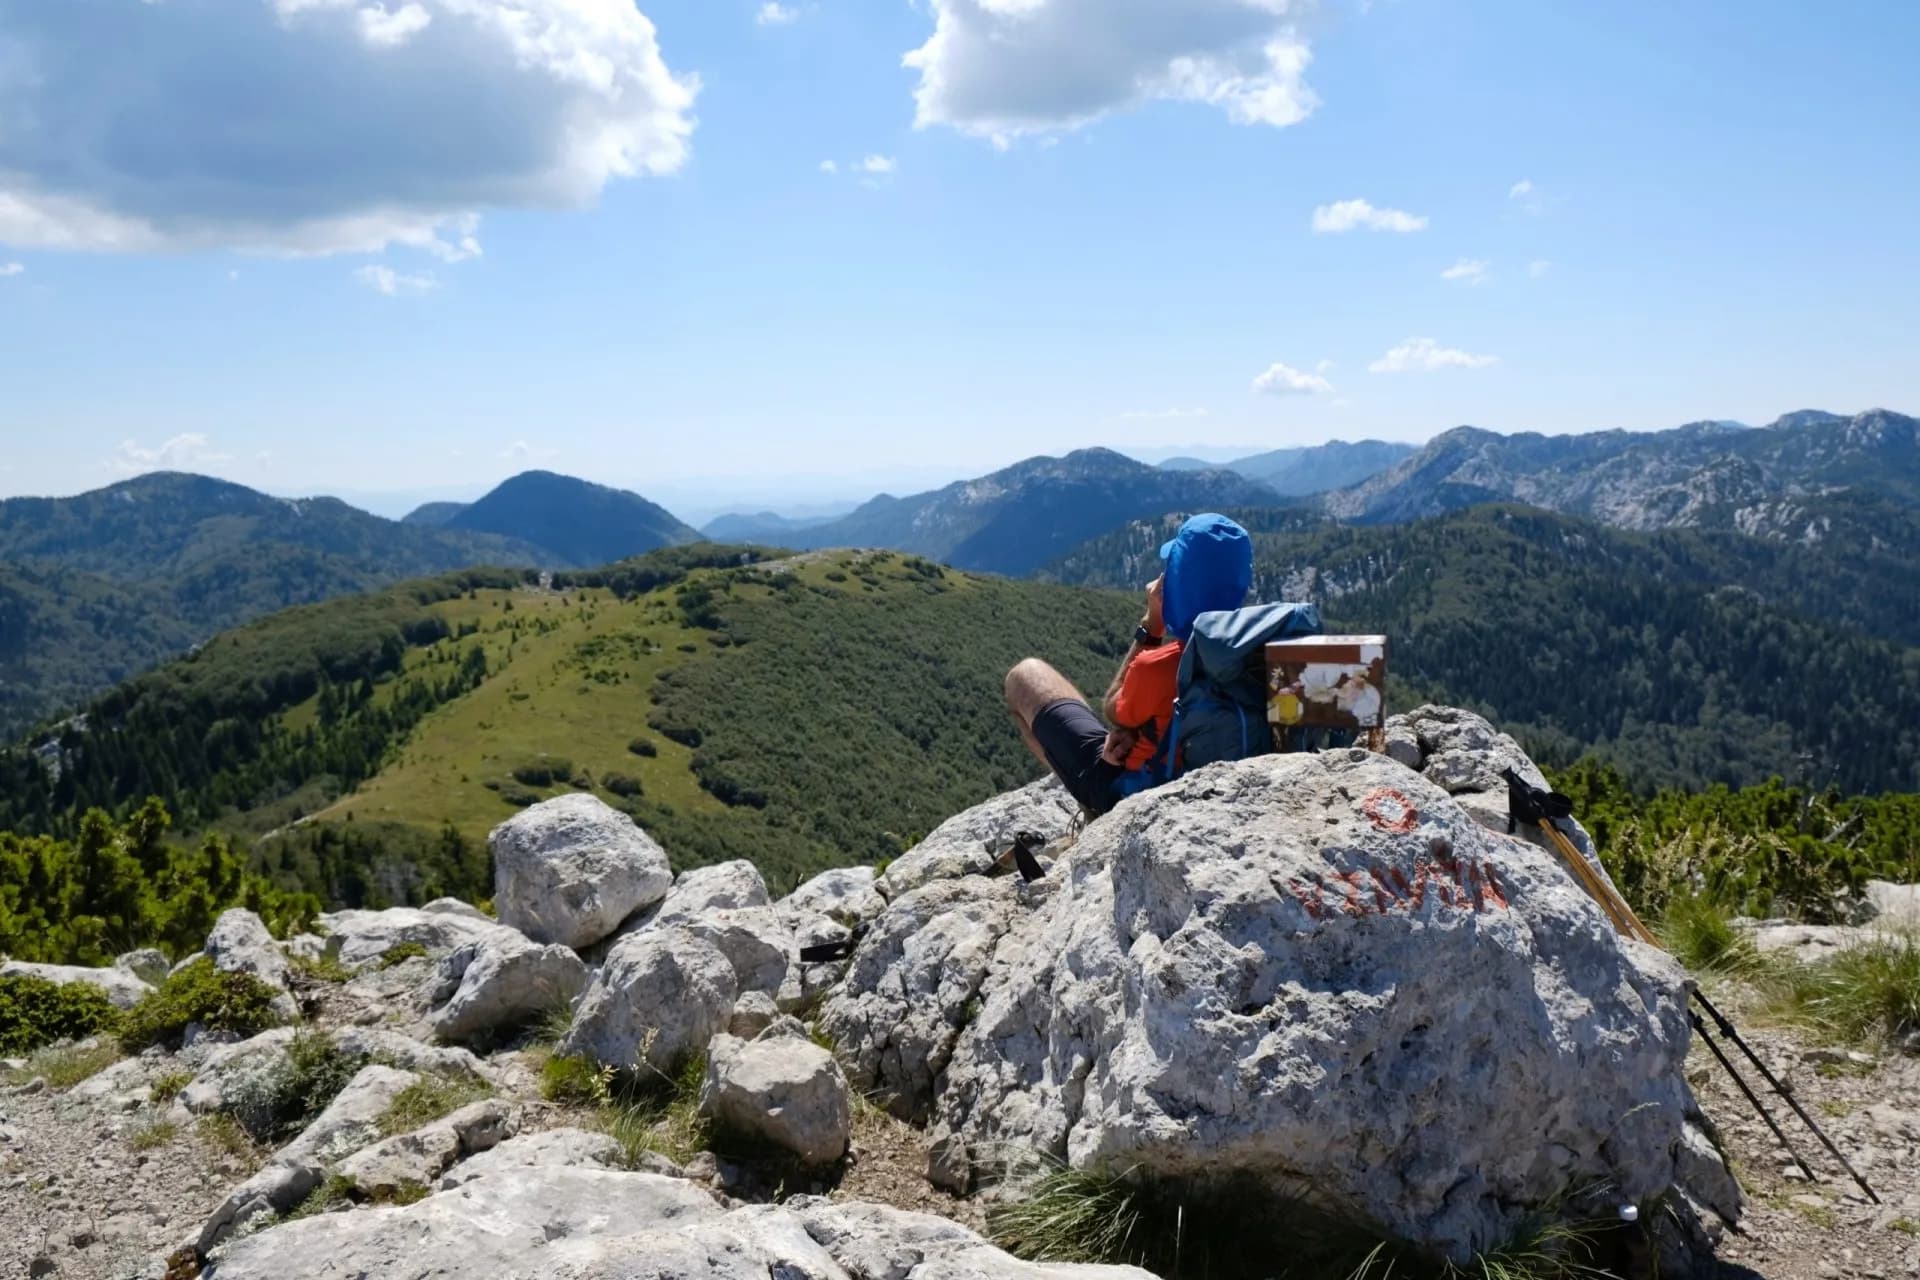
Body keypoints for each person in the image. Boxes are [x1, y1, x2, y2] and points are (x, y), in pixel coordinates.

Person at [1004, 513, 1254, 816]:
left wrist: (1152, 625)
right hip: (1225, 791)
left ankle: (1089, 799)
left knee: (1023, 677)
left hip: (1134, 792)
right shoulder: (1260, 653)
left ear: (1176, 582)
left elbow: (1114, 709)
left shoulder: (1159, 666)